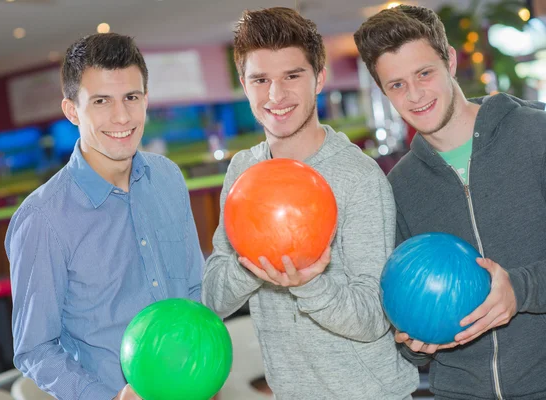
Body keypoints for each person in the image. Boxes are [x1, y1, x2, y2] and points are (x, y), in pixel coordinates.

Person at [202, 7, 418, 399]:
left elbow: (375, 316)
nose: (275, 95)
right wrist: (256, 262)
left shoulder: (358, 176)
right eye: (260, 79)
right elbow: (215, 297)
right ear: (243, 84)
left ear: (319, 78)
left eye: (292, 76)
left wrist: (310, 282)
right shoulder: (242, 171)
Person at [354, 5, 546, 399]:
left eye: (424, 73)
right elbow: (409, 329)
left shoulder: (535, 136)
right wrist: (412, 340)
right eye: (397, 85)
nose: (416, 95)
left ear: (451, 62)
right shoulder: (399, 187)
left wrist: (520, 290)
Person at [5, 33, 203, 400]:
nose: (122, 116)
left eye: (131, 97)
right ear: (71, 110)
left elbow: (194, 290)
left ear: (146, 99)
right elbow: (35, 349)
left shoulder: (169, 178)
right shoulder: (42, 219)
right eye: (101, 101)